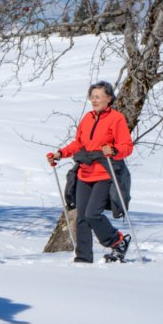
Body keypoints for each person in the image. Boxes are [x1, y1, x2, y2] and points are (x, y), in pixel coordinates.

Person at [47, 81, 134, 263]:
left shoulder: (116, 118)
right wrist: (60, 154)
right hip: (84, 173)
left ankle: (117, 242)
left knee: (92, 214)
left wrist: (114, 150)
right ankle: (83, 258)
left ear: (109, 99)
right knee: (81, 218)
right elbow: (79, 144)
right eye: (92, 96)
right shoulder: (87, 118)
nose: (94, 100)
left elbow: (126, 146)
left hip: (104, 173)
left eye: (98, 96)